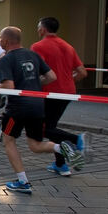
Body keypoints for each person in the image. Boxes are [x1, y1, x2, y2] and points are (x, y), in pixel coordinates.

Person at [0, 26, 76, 194]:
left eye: (0, 38)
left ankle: (23, 181)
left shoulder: (6, 59)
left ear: (5, 41)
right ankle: (61, 147)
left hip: (17, 108)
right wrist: (34, 85)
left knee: (8, 140)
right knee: (35, 145)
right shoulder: (33, 55)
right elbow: (51, 76)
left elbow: (9, 86)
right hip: (38, 105)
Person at [32, 17, 87, 175]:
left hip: (49, 93)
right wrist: (67, 80)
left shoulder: (38, 46)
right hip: (68, 92)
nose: (37, 30)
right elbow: (82, 72)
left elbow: (37, 72)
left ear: (43, 30)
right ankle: (60, 165)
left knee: (43, 129)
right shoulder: (68, 46)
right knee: (51, 127)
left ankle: (77, 140)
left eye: (38, 27)